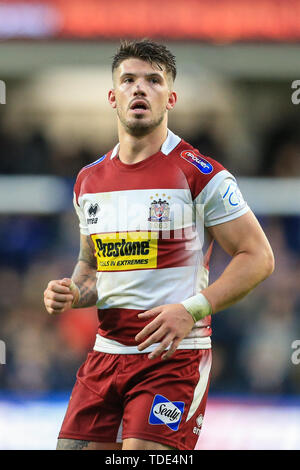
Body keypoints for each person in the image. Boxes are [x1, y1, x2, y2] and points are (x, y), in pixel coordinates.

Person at [43, 39, 274, 451]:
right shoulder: (88, 181)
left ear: (171, 97)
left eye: (153, 80)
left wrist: (192, 309)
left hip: (172, 358)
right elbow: (91, 268)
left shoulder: (200, 174)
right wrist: (72, 291)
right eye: (129, 80)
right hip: (105, 355)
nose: (140, 89)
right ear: (113, 96)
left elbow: (258, 257)